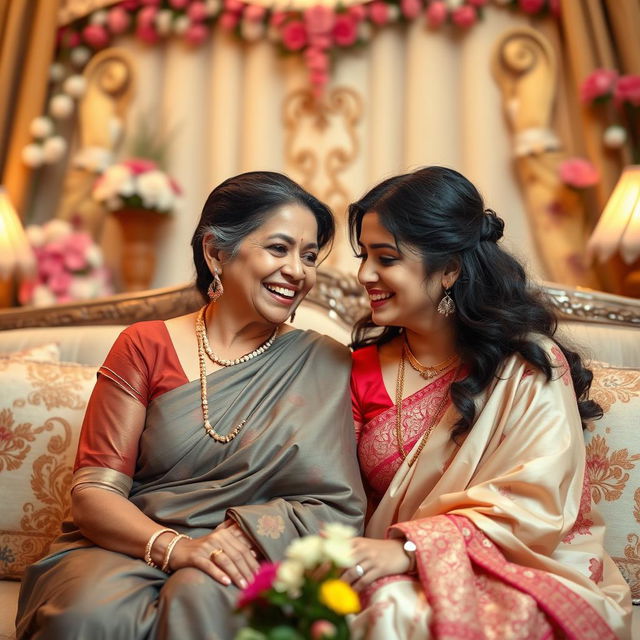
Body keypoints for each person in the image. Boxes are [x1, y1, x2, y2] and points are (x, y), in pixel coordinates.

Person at [16, 171, 366, 640]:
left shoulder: (323, 361)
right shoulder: (144, 346)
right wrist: (174, 547)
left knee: (202, 595)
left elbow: (334, 504)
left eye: (308, 256)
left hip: (248, 549)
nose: (299, 272)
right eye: (278, 249)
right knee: (86, 616)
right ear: (216, 252)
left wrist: (246, 534)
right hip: (129, 544)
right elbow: (94, 494)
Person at [342, 166, 632, 639]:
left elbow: (535, 506)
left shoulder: (527, 366)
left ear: (450, 270)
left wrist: (415, 549)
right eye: (364, 256)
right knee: (386, 600)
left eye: (386, 258)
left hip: (525, 564)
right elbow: (336, 497)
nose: (364, 275)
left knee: (404, 610)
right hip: (380, 565)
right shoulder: (360, 370)